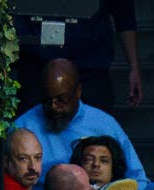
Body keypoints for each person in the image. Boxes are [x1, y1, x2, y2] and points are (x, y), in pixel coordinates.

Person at [15, 58, 148, 190]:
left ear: (78, 92)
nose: (53, 106)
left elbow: (137, 178)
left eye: (61, 100)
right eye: (47, 100)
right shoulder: (23, 127)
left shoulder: (104, 124)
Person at [14, 0, 142, 112]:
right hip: (36, 70)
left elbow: (125, 17)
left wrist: (134, 68)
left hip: (90, 71)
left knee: (94, 134)